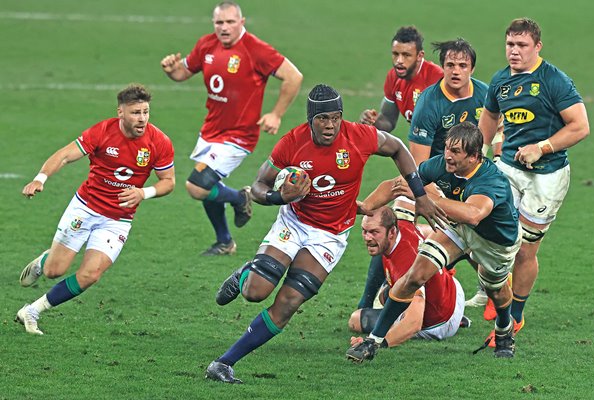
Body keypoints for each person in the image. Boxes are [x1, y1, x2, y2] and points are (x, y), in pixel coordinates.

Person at [204, 84, 446, 383]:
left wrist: (420, 195)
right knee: (256, 292)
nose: (330, 125)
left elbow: (397, 146)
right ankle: (246, 274)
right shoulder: (292, 142)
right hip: (293, 223)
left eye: (335, 117)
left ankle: (224, 364)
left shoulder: (359, 136)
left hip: (329, 235)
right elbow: (257, 187)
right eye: (322, 119)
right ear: (310, 118)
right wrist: (281, 198)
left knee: (289, 302)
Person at [346, 121, 521, 361]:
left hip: (495, 241)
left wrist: (426, 197)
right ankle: (373, 342)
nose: (447, 155)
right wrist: (365, 207)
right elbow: (398, 185)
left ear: (474, 157)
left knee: (496, 290)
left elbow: (474, 214)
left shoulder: (491, 181)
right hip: (457, 228)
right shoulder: (442, 164)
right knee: (415, 275)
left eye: (456, 152)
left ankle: (504, 330)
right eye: (448, 148)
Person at [16, 84, 175, 335]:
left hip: (118, 220)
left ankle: (32, 310)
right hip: (85, 208)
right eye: (135, 113)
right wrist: (40, 178)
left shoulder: (159, 141)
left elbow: (169, 182)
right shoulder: (102, 131)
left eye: (145, 112)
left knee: (90, 275)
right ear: (120, 113)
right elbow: (65, 155)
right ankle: (44, 260)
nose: (142, 118)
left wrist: (144, 192)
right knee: (53, 271)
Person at [478, 18, 589, 344]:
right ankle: (497, 290)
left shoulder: (554, 81)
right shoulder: (500, 81)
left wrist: (542, 147)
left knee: (525, 251)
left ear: (537, 47)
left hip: (548, 177)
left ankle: (515, 315)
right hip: (509, 169)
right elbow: (489, 118)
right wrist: (480, 156)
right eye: (510, 44)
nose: (514, 51)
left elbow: (580, 126)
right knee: (487, 231)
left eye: (522, 45)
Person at [160, 1, 303, 256]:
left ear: (242, 22)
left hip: (238, 136)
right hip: (211, 131)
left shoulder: (255, 49)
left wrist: (276, 114)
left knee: (197, 185)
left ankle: (240, 199)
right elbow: (184, 73)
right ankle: (225, 242)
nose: (224, 28)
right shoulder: (206, 44)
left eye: (230, 22)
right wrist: (172, 71)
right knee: (209, 186)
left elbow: (294, 76)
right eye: (219, 23)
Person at [357, 38, 488, 310]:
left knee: (477, 231)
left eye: (462, 65)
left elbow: (494, 142)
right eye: (450, 64)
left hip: (474, 179)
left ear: (472, 69)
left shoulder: (485, 97)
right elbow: (418, 165)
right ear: (441, 67)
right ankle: (375, 298)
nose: (455, 71)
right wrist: (425, 197)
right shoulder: (429, 101)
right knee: (391, 223)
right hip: (434, 177)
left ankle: (493, 290)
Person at [356, 27, 442, 310]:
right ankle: (372, 300)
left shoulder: (437, 80)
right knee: (390, 226)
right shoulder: (395, 78)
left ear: (420, 56)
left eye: (406, 55)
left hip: (444, 170)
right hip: (419, 169)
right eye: (395, 54)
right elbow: (388, 123)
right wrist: (373, 123)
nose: (399, 60)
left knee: (453, 231)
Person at [348, 207, 466, 348]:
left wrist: (375, 343)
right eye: (364, 231)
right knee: (386, 295)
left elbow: (413, 323)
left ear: (391, 232)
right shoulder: (402, 224)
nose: (367, 238)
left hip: (440, 322)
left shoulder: (406, 266)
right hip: (450, 289)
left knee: (356, 319)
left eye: (374, 232)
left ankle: (456, 321)